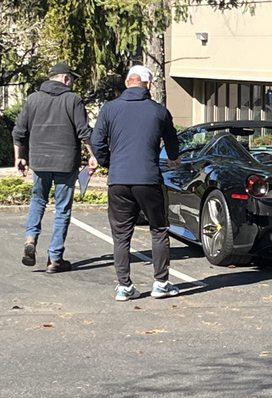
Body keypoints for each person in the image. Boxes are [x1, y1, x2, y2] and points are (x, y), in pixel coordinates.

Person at [91, 65, 181, 301]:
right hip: (148, 178)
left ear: (127, 82)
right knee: (159, 229)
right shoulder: (158, 111)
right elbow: (172, 141)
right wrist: (173, 158)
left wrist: (109, 163)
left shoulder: (109, 109)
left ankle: (124, 286)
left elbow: (97, 141)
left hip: (118, 179)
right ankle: (161, 283)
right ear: (148, 84)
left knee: (121, 234)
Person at [12, 62, 98, 273]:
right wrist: (93, 155)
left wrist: (19, 157)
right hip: (66, 162)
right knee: (62, 209)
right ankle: (55, 258)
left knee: (38, 200)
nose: (72, 83)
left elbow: (19, 131)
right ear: (65, 78)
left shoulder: (33, 99)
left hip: (39, 161)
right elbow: (83, 131)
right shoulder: (73, 99)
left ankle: (31, 239)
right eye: (72, 79)